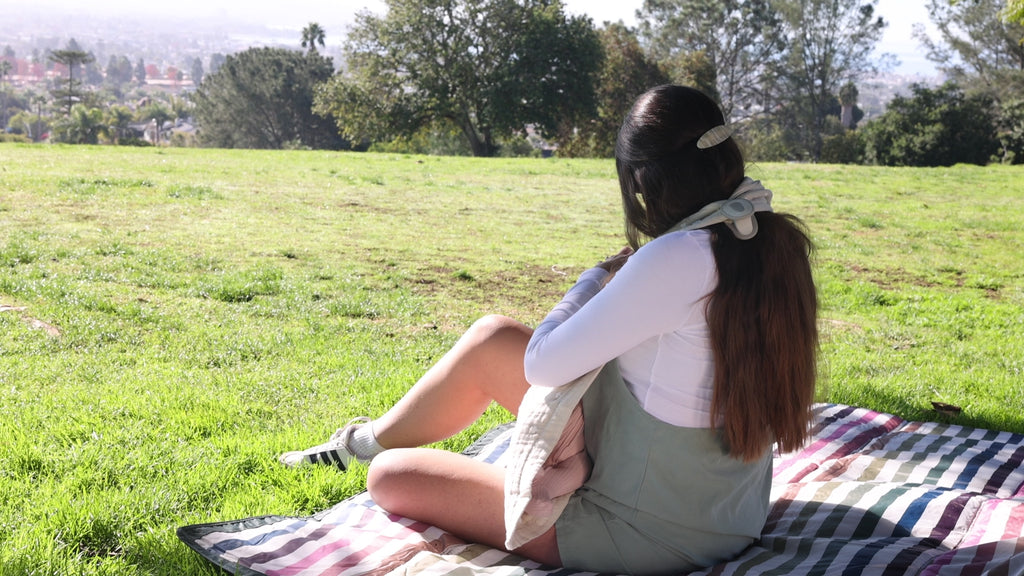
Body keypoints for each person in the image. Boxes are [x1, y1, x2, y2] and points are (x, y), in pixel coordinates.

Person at [278, 84, 819, 575]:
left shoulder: (677, 256)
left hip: (647, 533)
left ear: (642, 181)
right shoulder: (769, 239)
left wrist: (595, 277)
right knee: (493, 339)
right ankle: (358, 444)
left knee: (391, 476)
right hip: (729, 509)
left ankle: (373, 455)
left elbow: (543, 363)